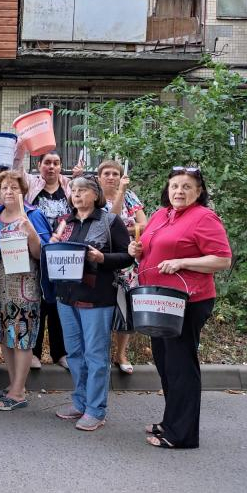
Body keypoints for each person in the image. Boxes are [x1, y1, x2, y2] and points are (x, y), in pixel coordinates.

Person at [128, 167, 231, 449]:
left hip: (188, 301)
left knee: (181, 366)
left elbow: (222, 259)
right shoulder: (162, 214)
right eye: (175, 186)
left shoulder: (204, 218)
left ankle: (182, 434)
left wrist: (184, 262)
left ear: (199, 192)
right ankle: (171, 421)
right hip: (158, 300)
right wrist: (135, 251)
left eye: (187, 187)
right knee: (165, 364)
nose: (179, 192)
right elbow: (148, 246)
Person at [49, 175, 132, 432]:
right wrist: (52, 246)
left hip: (97, 299)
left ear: (95, 195)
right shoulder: (64, 222)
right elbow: (55, 251)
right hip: (66, 297)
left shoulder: (110, 221)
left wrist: (102, 257)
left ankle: (96, 410)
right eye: (73, 190)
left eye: (82, 190)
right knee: (74, 353)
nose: (76, 194)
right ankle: (80, 401)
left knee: (95, 355)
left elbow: (127, 256)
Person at [8, 148, 76, 371]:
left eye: (56, 163)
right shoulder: (32, 187)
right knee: (37, 301)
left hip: (62, 254)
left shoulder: (68, 187)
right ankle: (34, 353)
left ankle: (60, 352)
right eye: (47, 163)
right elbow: (16, 171)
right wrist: (20, 150)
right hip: (35, 253)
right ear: (39, 166)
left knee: (58, 303)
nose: (52, 167)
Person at [0, 170, 51, 410]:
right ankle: (14, 384)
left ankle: (17, 394)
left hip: (25, 288)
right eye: (4, 188)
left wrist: (31, 232)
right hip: (1, 286)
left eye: (13, 187)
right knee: (6, 336)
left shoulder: (33, 215)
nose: (8, 191)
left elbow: (41, 254)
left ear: (23, 191)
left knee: (22, 338)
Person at [98, 160, 148, 375]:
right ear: (99, 177)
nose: (111, 177)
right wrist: (126, 228)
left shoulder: (131, 196)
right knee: (103, 308)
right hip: (103, 260)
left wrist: (124, 231)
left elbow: (144, 226)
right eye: (107, 173)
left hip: (128, 263)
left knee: (125, 308)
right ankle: (102, 354)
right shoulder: (96, 197)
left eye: (115, 173)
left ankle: (121, 354)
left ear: (121, 176)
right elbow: (111, 221)